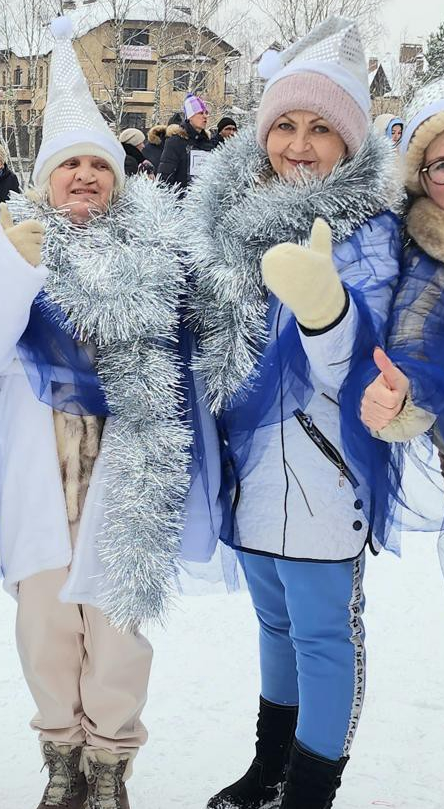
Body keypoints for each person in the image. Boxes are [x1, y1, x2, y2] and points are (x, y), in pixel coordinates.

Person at [0, 17, 209, 808]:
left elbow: (185, 347)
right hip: (38, 451)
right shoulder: (5, 240)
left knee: (119, 621)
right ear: (46, 179)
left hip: (126, 452)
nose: (86, 177)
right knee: (47, 618)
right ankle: (61, 750)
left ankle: (110, 760)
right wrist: (16, 268)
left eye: (100, 164)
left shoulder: (156, 249)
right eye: (71, 167)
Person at [185, 18, 403, 809]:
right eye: (285, 124)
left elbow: (363, 368)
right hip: (248, 478)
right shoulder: (226, 224)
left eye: (321, 128)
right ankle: (267, 767)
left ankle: (311, 790)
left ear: (349, 144)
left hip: (324, 472)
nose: (300, 144)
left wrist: (324, 307)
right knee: (274, 628)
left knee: (323, 636)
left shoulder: (372, 236)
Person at [360, 78, 444, 472]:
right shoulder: (428, 259)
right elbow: (415, 333)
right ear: (421, 178)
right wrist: (400, 396)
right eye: (442, 166)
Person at [157, 93, 216, 192]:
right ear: (190, 116)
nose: (205, 116)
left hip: (203, 202)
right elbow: (165, 176)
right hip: (180, 202)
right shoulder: (175, 142)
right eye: (200, 113)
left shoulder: (208, 144)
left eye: (206, 113)